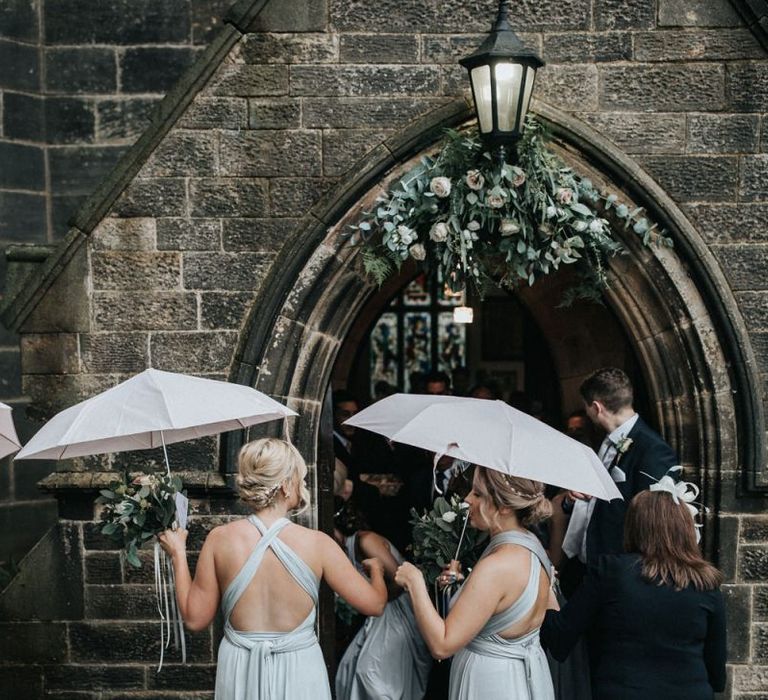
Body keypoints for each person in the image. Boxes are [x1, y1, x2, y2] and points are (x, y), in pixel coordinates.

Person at [158, 438, 387, 700]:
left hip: (239, 667)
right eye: (300, 478)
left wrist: (177, 553)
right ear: (286, 486)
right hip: (299, 668)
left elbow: (195, 618)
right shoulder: (318, 543)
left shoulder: (220, 539)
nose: (302, 484)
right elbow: (375, 605)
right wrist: (377, 570)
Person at [541, 487, 727, 699]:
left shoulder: (611, 571)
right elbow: (718, 677)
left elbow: (559, 637)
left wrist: (546, 586)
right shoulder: (707, 583)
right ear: (686, 529)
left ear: (634, 526)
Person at [394, 467, 556, 700]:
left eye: (478, 494)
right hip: (516, 677)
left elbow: (442, 644)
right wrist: (467, 584)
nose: (467, 499)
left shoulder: (498, 565)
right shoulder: (532, 545)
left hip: (491, 682)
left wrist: (414, 581)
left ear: (505, 506)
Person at [559, 367, 678, 585]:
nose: (586, 413)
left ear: (596, 407)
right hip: (587, 564)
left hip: (620, 571)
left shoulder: (653, 450)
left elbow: (654, 522)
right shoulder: (604, 440)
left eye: (586, 407)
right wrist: (572, 499)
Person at [334, 500, 433, 700]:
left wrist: (371, 597)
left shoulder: (365, 540)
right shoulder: (343, 549)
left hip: (400, 609)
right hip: (380, 612)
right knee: (347, 668)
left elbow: (400, 579)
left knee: (371, 674)